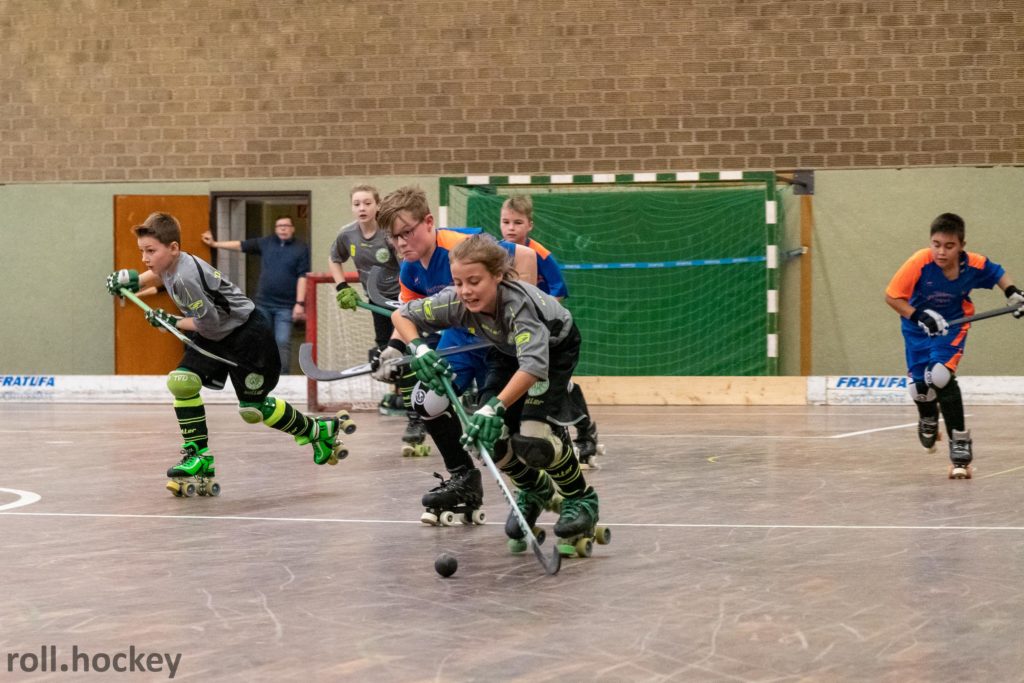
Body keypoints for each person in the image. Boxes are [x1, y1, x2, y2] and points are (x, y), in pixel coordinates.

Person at [107, 212, 350, 497]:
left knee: (252, 410)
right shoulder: (171, 262)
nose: (145, 259)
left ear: (173, 248)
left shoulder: (185, 279)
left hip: (246, 335)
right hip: (217, 333)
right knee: (181, 382)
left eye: (151, 251)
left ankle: (317, 431)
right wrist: (133, 281)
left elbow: (207, 325)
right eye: (142, 252)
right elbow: (159, 272)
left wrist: (171, 321)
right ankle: (198, 456)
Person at [391, 234, 601, 544]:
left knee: (535, 439)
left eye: (474, 281)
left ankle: (581, 499)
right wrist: (419, 348)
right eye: (458, 282)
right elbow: (401, 315)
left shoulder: (518, 306)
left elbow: (532, 367)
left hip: (554, 351)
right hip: (506, 351)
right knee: (487, 437)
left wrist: (495, 406)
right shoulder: (456, 300)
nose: (465, 290)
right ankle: (534, 490)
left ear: (498, 276)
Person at [372, 185, 537, 523]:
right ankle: (463, 479)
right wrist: (394, 348)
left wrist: (522, 312)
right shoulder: (410, 269)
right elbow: (406, 314)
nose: (401, 243)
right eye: (394, 237)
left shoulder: (461, 246)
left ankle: (532, 489)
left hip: (496, 342)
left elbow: (525, 256)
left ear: (428, 222)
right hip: (460, 340)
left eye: (407, 232)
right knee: (425, 401)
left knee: (498, 428)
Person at [884, 212, 1023, 478]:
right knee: (918, 389)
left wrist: (1012, 292)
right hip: (916, 328)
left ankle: (959, 442)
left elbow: (997, 273)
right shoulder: (919, 262)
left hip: (952, 326)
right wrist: (919, 316)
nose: (941, 252)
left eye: (949, 246)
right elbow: (892, 297)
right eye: (936, 244)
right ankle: (928, 416)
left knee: (939, 375)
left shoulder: (973, 264)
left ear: (961, 246)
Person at [498, 194, 603, 468]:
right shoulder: (496, 253)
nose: (511, 228)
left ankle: (585, 432)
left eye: (517, 222)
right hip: (513, 331)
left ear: (529, 225)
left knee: (557, 383)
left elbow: (559, 290)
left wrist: (538, 315)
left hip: (545, 329)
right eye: (506, 222)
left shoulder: (541, 255)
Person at [328, 185, 424, 454]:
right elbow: (334, 259)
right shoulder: (347, 234)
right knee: (387, 356)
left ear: (377, 206)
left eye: (367, 203)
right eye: (357, 203)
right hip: (376, 303)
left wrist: (407, 300)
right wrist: (341, 287)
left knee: (405, 355)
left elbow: (408, 265)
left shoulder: (388, 234)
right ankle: (408, 405)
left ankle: (416, 417)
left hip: (403, 302)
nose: (362, 208)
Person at [201, 216, 311, 373]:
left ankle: (283, 376)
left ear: (292, 228)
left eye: (286, 225)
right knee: (260, 340)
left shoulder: (301, 249)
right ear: (275, 229)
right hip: (263, 304)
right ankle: (263, 373)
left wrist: (299, 304)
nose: (283, 228)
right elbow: (241, 245)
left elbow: (303, 277)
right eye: (279, 226)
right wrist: (215, 244)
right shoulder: (267, 242)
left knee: (282, 341)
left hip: (286, 307)